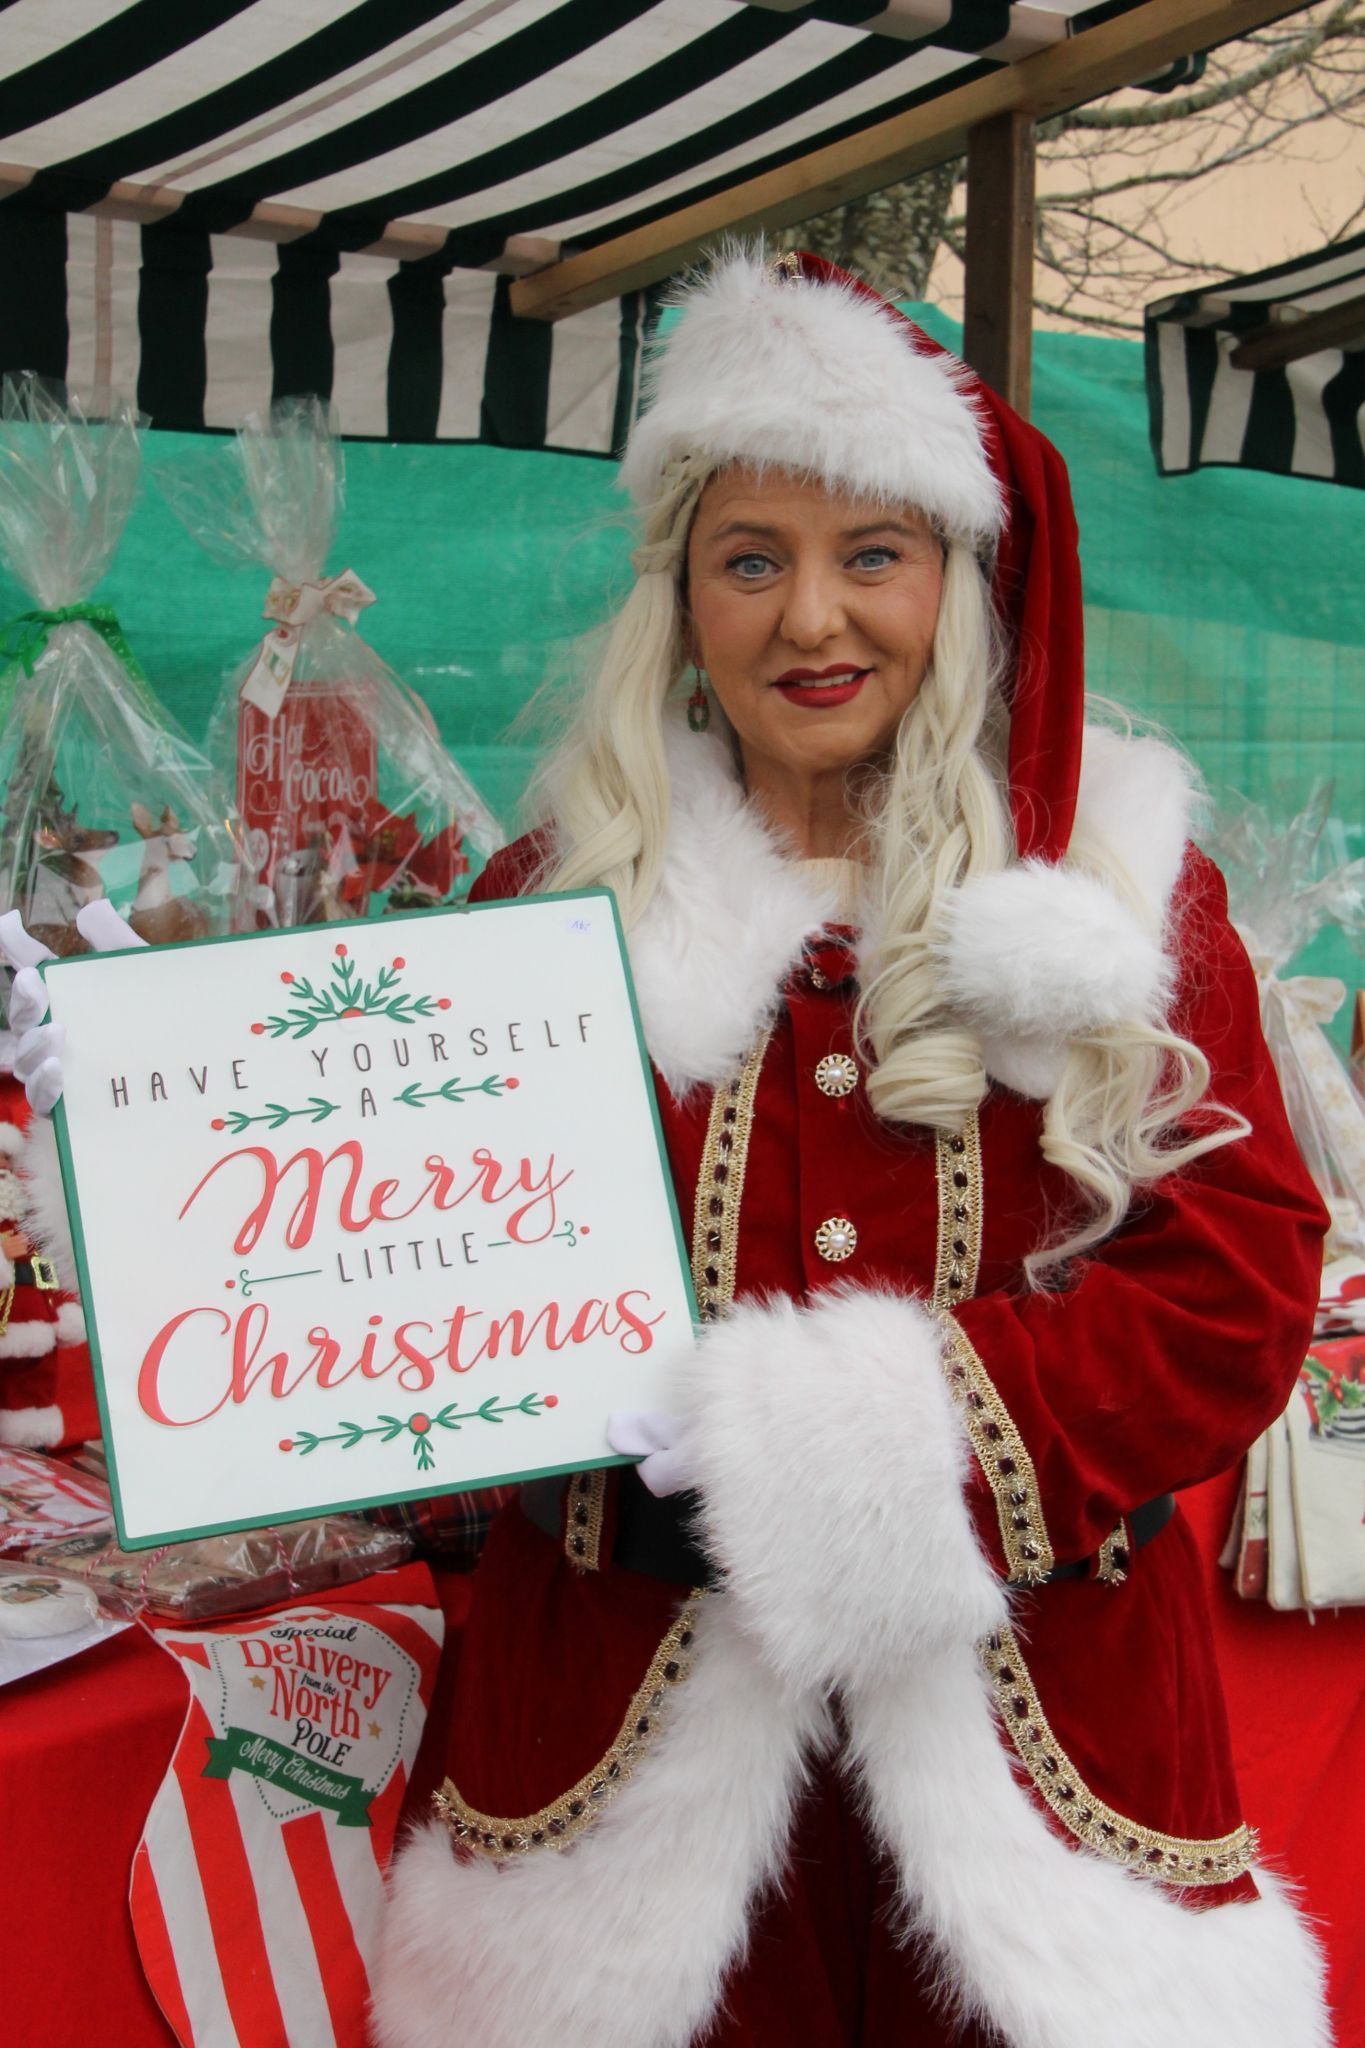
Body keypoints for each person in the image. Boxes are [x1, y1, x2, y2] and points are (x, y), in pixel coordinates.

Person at [9, 252, 1331, 2048]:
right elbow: (376, 1264)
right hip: (618, 1757)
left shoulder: (1113, 893)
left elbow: (1235, 1284)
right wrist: (169, 1141)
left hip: (1044, 1751)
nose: (812, 622)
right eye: (751, 559)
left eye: (873, 556)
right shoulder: (547, 900)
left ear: (963, 574)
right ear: (683, 596)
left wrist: (842, 1447)